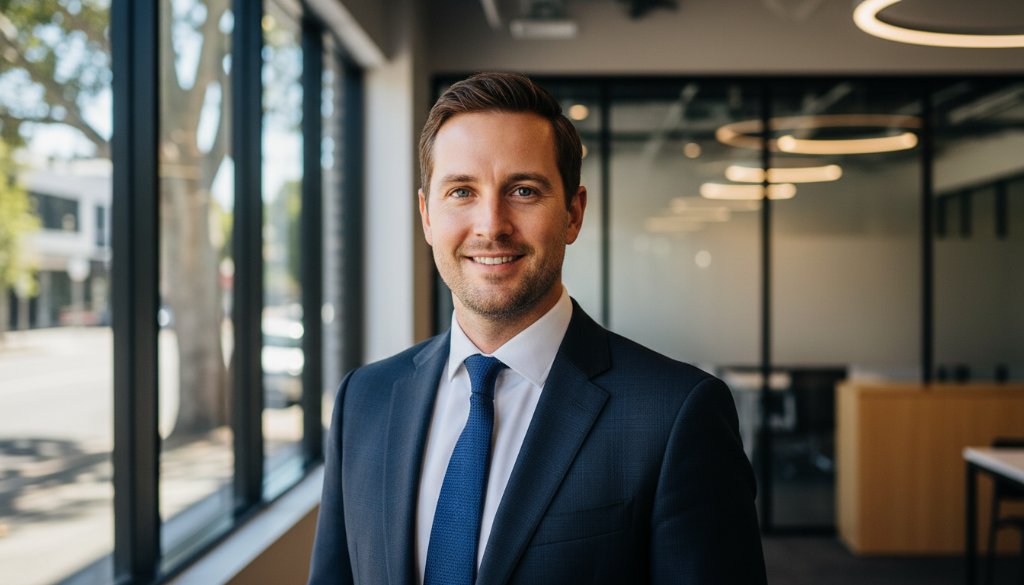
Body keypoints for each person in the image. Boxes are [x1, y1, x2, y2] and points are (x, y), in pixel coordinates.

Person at [308, 72, 766, 585]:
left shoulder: (677, 415)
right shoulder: (363, 402)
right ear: (427, 216)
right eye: (461, 191)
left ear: (573, 213)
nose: (491, 225)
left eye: (523, 190)